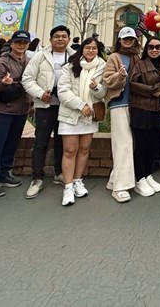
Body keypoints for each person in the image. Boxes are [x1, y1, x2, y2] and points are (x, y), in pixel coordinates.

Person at [21, 25, 72, 199]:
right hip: (45, 106)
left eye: (63, 36)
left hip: (65, 107)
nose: (60, 39)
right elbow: (27, 79)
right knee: (41, 141)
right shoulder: (40, 57)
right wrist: (40, 94)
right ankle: (37, 178)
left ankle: (59, 173)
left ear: (68, 39)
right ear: (50, 39)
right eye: (56, 36)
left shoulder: (73, 57)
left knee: (62, 141)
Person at [56, 36, 106, 207]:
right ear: (82, 49)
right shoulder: (70, 67)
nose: (91, 51)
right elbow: (63, 91)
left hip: (89, 115)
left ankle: (78, 180)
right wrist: (80, 104)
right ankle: (68, 186)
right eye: (87, 48)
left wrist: (96, 88)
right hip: (72, 114)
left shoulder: (102, 66)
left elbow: (103, 93)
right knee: (70, 150)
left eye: (94, 48)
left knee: (84, 149)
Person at [0, 30, 31, 198]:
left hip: (20, 110)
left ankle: (4, 173)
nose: (21, 46)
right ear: (12, 43)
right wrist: (3, 83)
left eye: (24, 43)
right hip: (0, 110)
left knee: (11, 144)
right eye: (18, 42)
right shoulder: (1, 62)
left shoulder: (29, 62)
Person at [128, 37, 160, 196]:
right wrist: (153, 89)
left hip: (156, 110)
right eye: (151, 47)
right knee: (141, 145)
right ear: (146, 49)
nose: (154, 50)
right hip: (141, 109)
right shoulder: (140, 65)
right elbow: (133, 85)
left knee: (153, 145)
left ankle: (147, 174)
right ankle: (138, 178)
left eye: (158, 47)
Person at [102, 27, 140, 203]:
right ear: (119, 40)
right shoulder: (114, 57)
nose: (128, 41)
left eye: (130, 39)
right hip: (118, 103)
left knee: (128, 144)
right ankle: (121, 187)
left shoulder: (136, 57)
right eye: (125, 39)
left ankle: (113, 179)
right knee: (124, 143)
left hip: (134, 104)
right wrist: (119, 75)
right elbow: (107, 80)